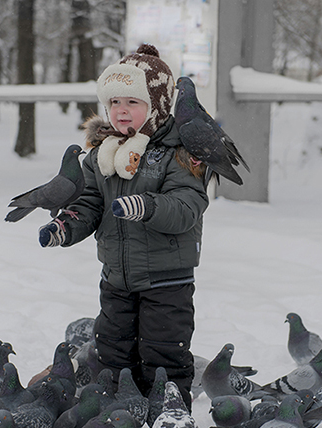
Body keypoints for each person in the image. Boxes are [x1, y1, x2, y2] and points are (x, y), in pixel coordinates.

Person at [39, 44, 209, 409]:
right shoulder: (102, 155)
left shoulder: (178, 153)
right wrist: (65, 226)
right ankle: (118, 411)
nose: (120, 111)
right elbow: (89, 203)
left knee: (163, 352)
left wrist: (146, 206)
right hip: (116, 279)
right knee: (113, 350)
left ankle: (169, 415)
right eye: (114, 103)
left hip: (167, 281)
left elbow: (187, 207)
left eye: (132, 103)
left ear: (157, 107)